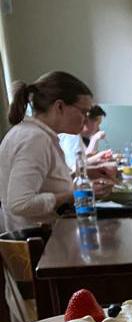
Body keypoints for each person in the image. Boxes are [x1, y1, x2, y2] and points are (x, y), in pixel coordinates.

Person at [0, 71, 112, 232]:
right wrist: (76, 194)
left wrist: (82, 174)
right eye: (83, 112)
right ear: (59, 106)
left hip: (43, 236)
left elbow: (46, 183)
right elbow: (20, 204)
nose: (85, 118)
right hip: (39, 240)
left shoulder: (33, 133)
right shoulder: (35, 139)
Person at [58, 105, 111, 169]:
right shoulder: (72, 136)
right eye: (98, 124)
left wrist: (98, 158)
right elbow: (75, 167)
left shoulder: (82, 137)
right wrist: (94, 140)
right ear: (87, 121)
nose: (99, 129)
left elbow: (87, 157)